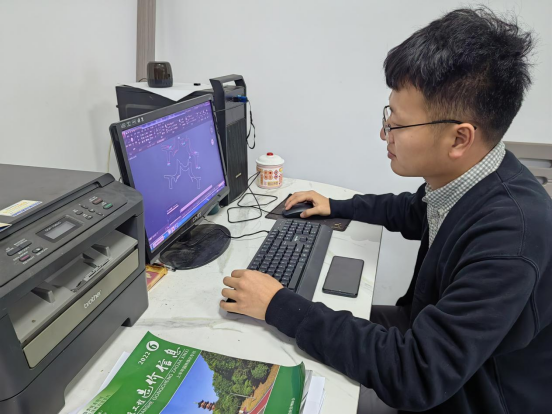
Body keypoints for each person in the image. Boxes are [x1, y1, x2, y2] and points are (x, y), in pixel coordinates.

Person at [220, 7, 552, 414]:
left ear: (459, 138)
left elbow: (416, 374)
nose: (384, 133)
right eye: (388, 115)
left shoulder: (510, 236)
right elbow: (413, 211)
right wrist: (336, 206)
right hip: (429, 340)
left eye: (397, 124)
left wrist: (279, 304)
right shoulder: (473, 179)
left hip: (469, 395)